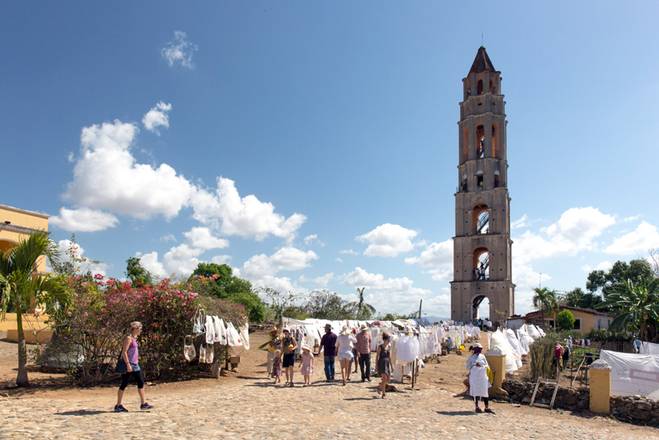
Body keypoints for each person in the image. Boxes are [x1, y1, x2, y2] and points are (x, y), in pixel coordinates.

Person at [115, 321, 153, 412]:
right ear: (135, 329)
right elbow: (124, 352)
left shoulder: (134, 338)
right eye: (140, 328)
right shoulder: (129, 338)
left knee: (141, 382)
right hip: (130, 365)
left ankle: (143, 404)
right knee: (124, 384)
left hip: (135, 365)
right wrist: (128, 364)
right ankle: (118, 405)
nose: (141, 330)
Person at [466, 343, 492, 413]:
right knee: (476, 392)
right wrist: (475, 365)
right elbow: (468, 367)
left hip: (482, 376)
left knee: (484, 391)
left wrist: (482, 366)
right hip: (475, 377)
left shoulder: (482, 356)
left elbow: (487, 365)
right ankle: (477, 407)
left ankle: (486, 407)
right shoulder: (471, 358)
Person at [376, 332, 393, 398]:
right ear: (385, 340)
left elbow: (390, 357)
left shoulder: (389, 347)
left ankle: (379, 387)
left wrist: (391, 366)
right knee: (384, 378)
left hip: (387, 363)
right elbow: (377, 356)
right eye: (388, 340)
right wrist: (376, 366)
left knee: (388, 379)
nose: (389, 341)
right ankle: (383, 393)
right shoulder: (380, 347)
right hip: (381, 363)